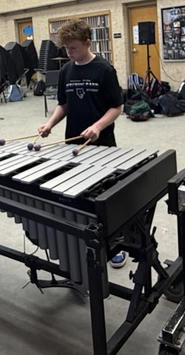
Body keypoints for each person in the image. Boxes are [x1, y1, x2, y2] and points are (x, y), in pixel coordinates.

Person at [37, 19, 124, 266]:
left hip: (102, 145)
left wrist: (97, 126)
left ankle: (114, 242)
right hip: (73, 145)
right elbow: (63, 105)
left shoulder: (104, 70)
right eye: (66, 49)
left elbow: (117, 107)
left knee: (104, 197)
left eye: (73, 48)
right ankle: (81, 241)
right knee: (76, 193)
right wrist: (50, 124)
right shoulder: (67, 70)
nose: (69, 53)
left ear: (87, 43)